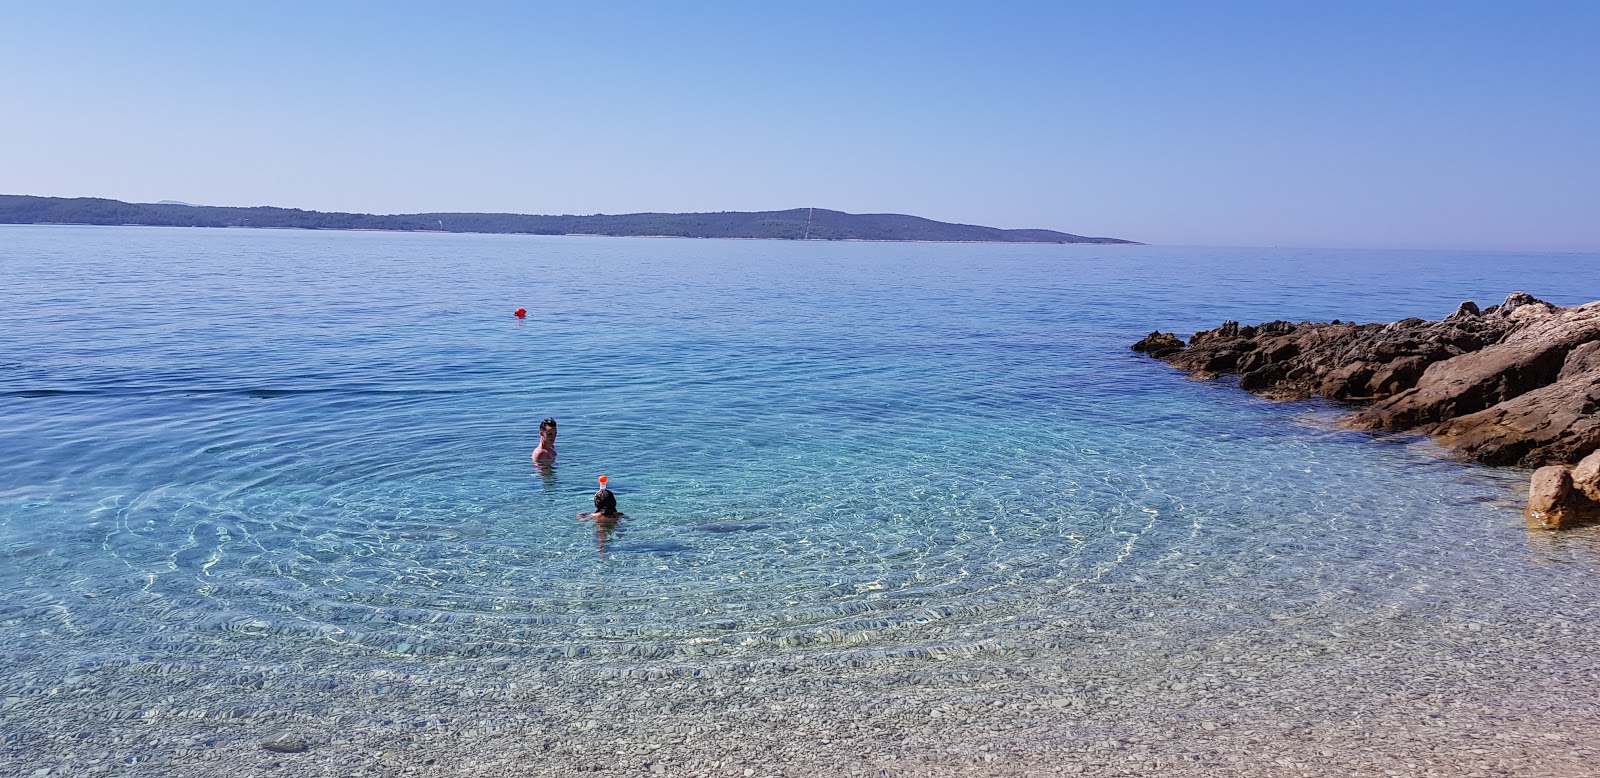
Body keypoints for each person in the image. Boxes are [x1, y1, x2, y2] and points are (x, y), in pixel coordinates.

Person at [578, 487, 626, 557]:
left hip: (601, 527)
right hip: (613, 525)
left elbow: (582, 520)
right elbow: (629, 520)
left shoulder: (594, 516)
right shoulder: (619, 515)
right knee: (616, 531)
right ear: (613, 502)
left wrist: (579, 516)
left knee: (601, 540)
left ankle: (602, 552)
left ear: (596, 503)